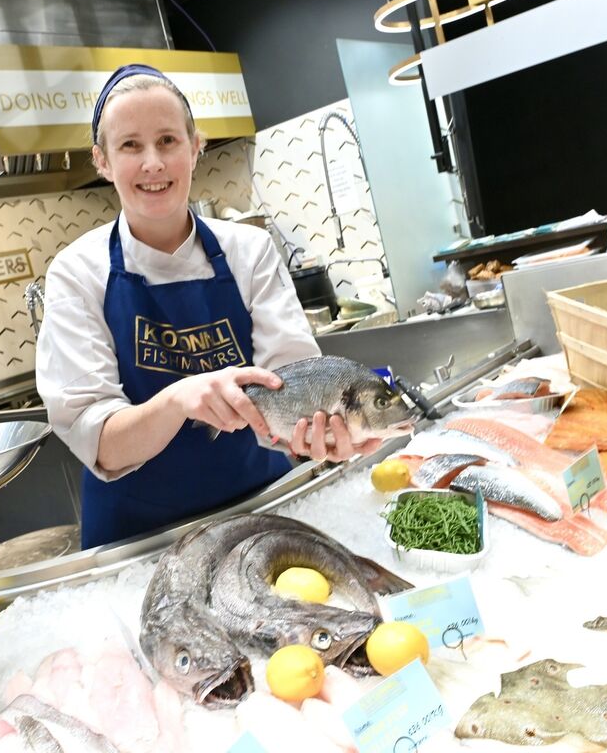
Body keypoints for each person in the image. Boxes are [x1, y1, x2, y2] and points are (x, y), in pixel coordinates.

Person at [35, 64, 382, 548]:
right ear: (103, 161)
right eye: (130, 145)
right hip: (140, 539)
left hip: (262, 509)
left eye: (168, 141)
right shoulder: (77, 273)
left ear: (195, 146)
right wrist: (180, 399)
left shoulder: (250, 250)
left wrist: (328, 438)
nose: (153, 162)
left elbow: (297, 384)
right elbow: (103, 444)